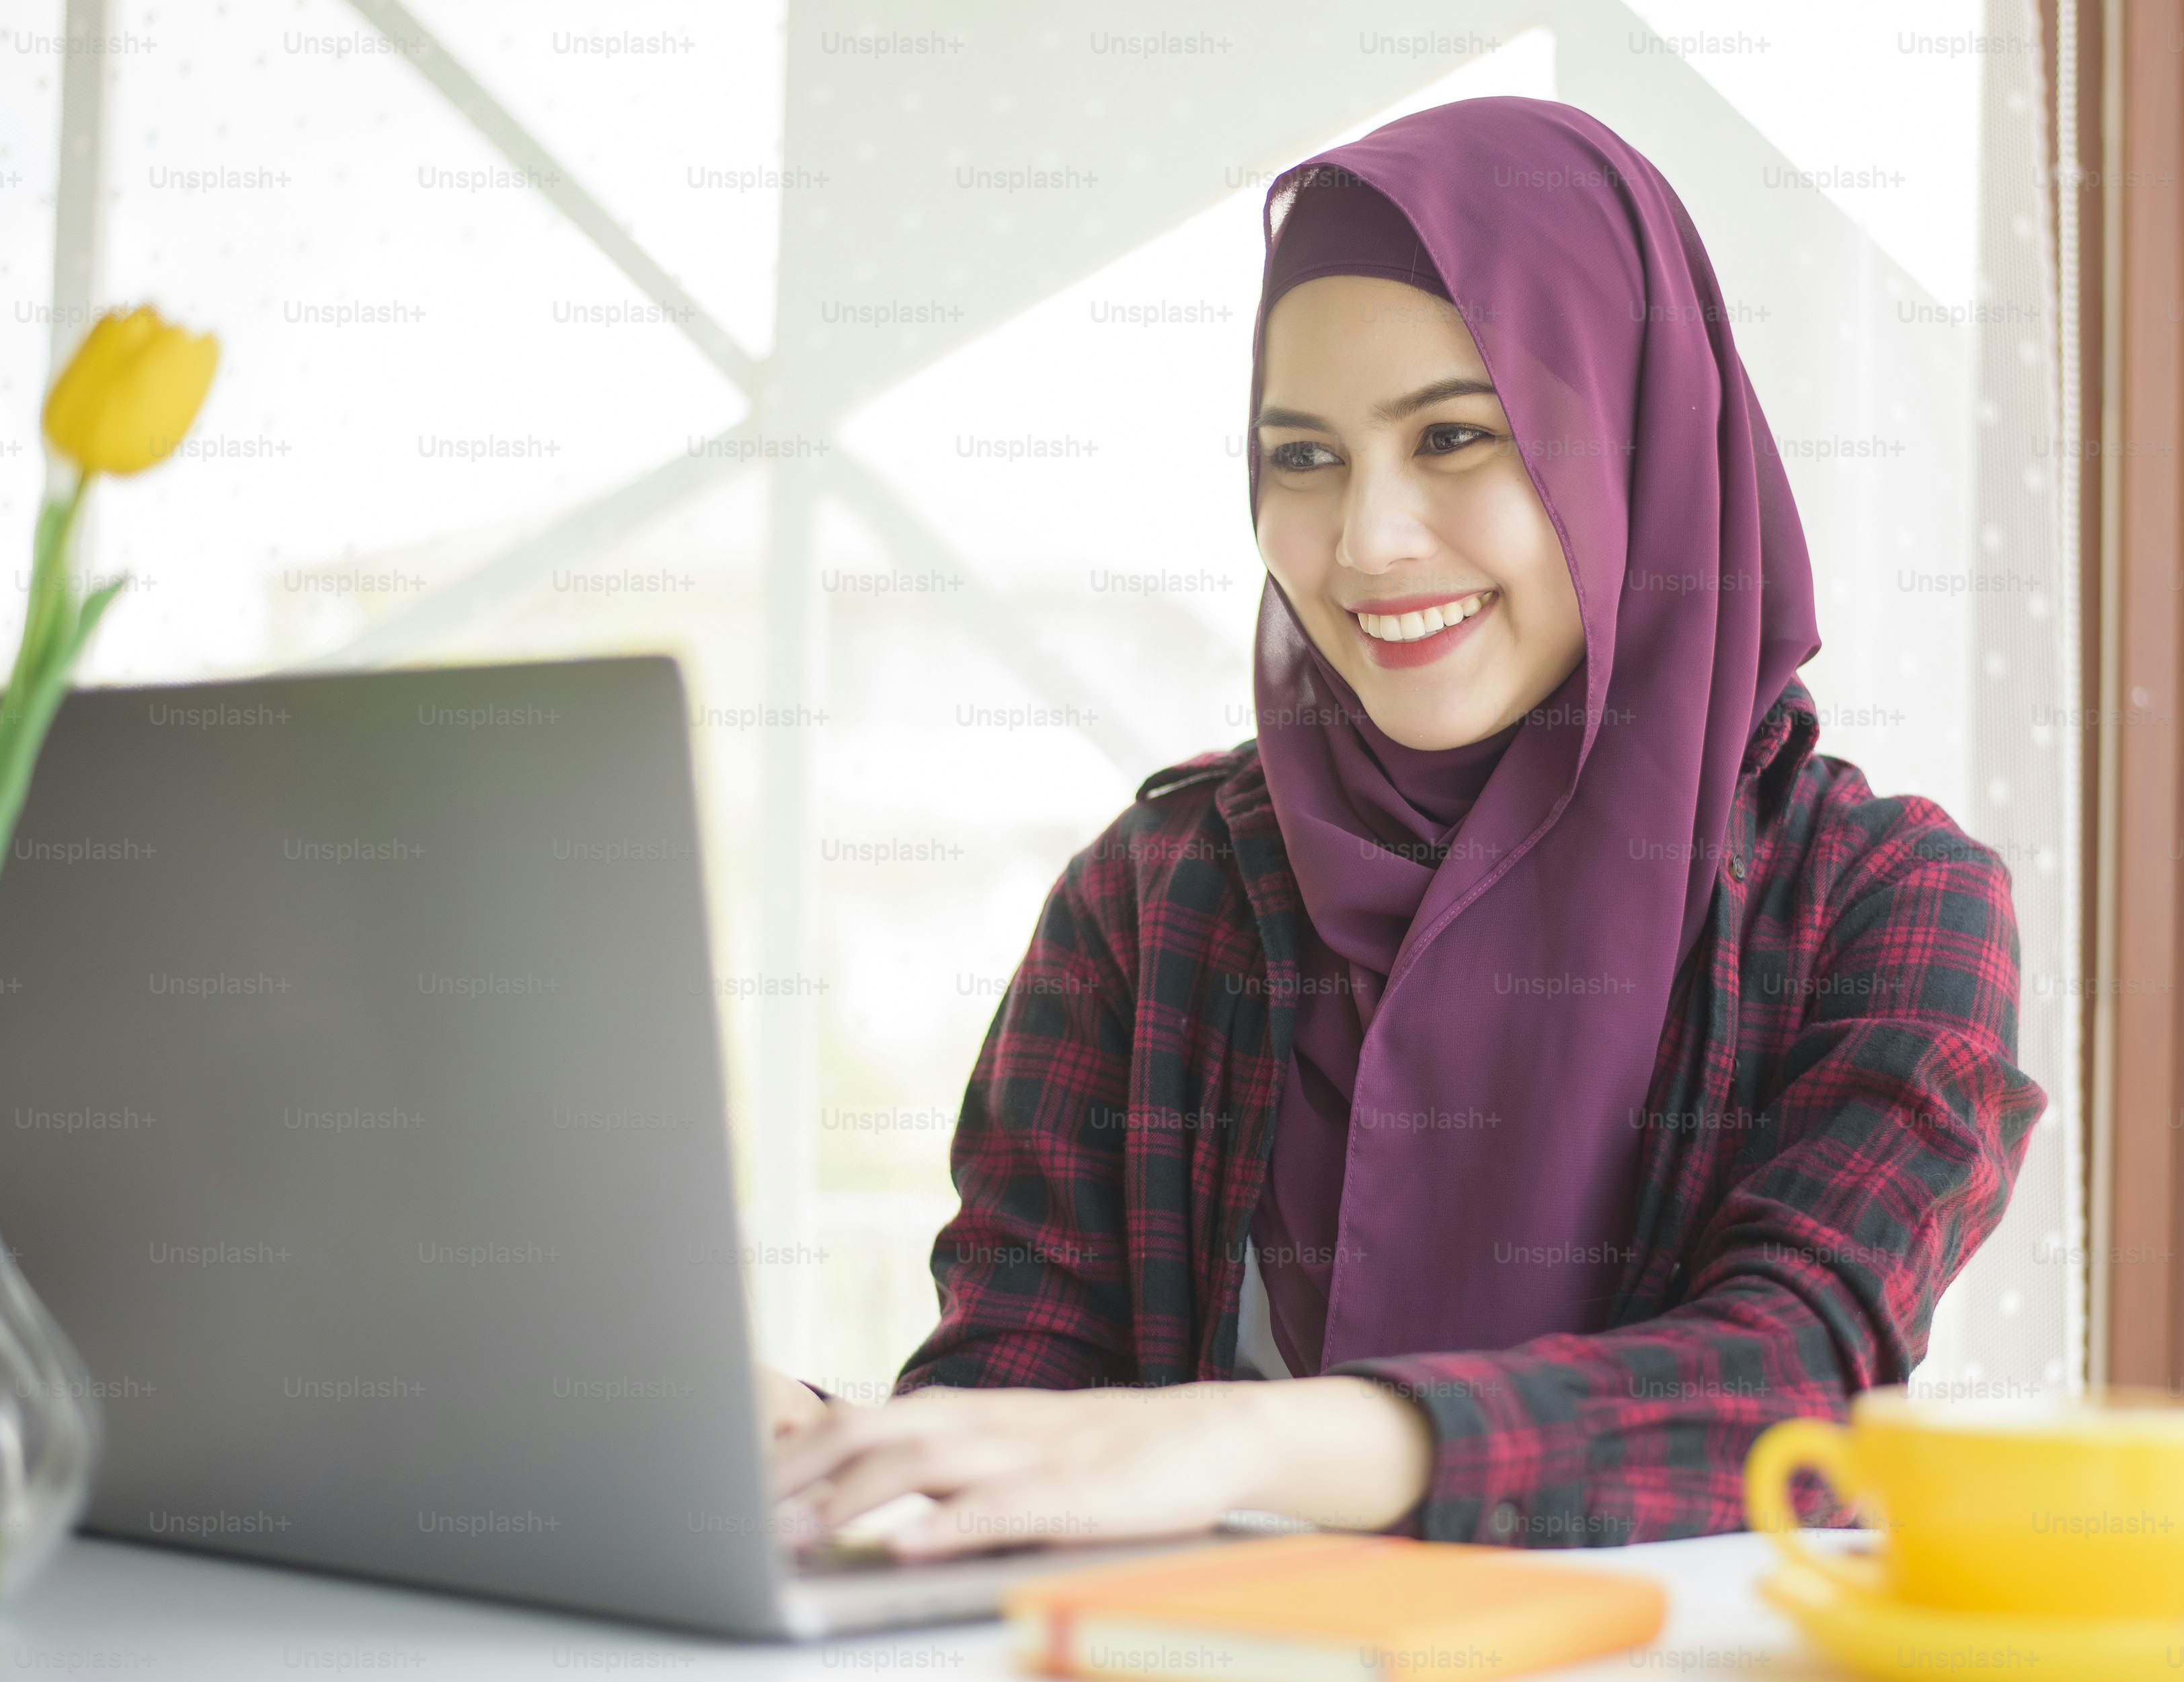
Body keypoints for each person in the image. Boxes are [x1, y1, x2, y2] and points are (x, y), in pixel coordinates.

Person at [767, 95, 2043, 1559]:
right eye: (1301, 457)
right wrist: (812, 1447)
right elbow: (1023, 1406)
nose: (1366, 541)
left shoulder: (1875, 906)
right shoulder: (1160, 897)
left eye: (1453, 436)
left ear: (1634, 444)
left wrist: (1250, 1436)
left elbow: (1794, 1392)